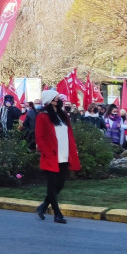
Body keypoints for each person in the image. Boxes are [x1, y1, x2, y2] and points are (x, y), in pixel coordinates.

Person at [34, 89, 80, 223]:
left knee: (60, 184)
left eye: (59, 98)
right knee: (52, 185)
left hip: (64, 154)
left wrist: (73, 150)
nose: (58, 100)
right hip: (51, 156)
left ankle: (43, 206)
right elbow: (40, 137)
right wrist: (46, 152)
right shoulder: (42, 116)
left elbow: (69, 134)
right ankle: (57, 214)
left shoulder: (63, 115)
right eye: (56, 98)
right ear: (50, 100)